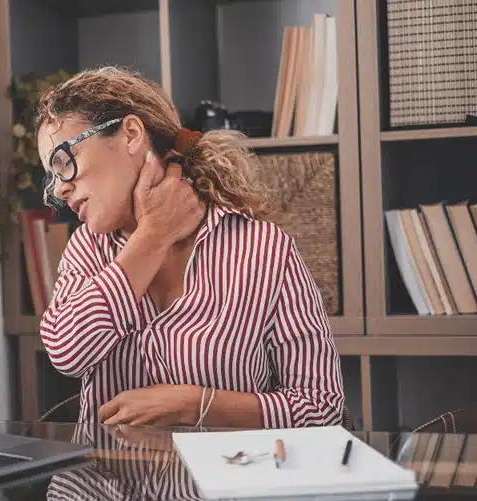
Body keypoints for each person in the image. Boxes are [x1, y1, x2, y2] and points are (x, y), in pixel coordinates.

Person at [35, 66, 345, 430]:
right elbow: (66, 353)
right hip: (107, 484)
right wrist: (153, 236)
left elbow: (322, 406)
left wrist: (195, 404)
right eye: (51, 176)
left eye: (62, 163)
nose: (58, 190)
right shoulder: (88, 246)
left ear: (131, 135)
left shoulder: (264, 250)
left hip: (226, 484)